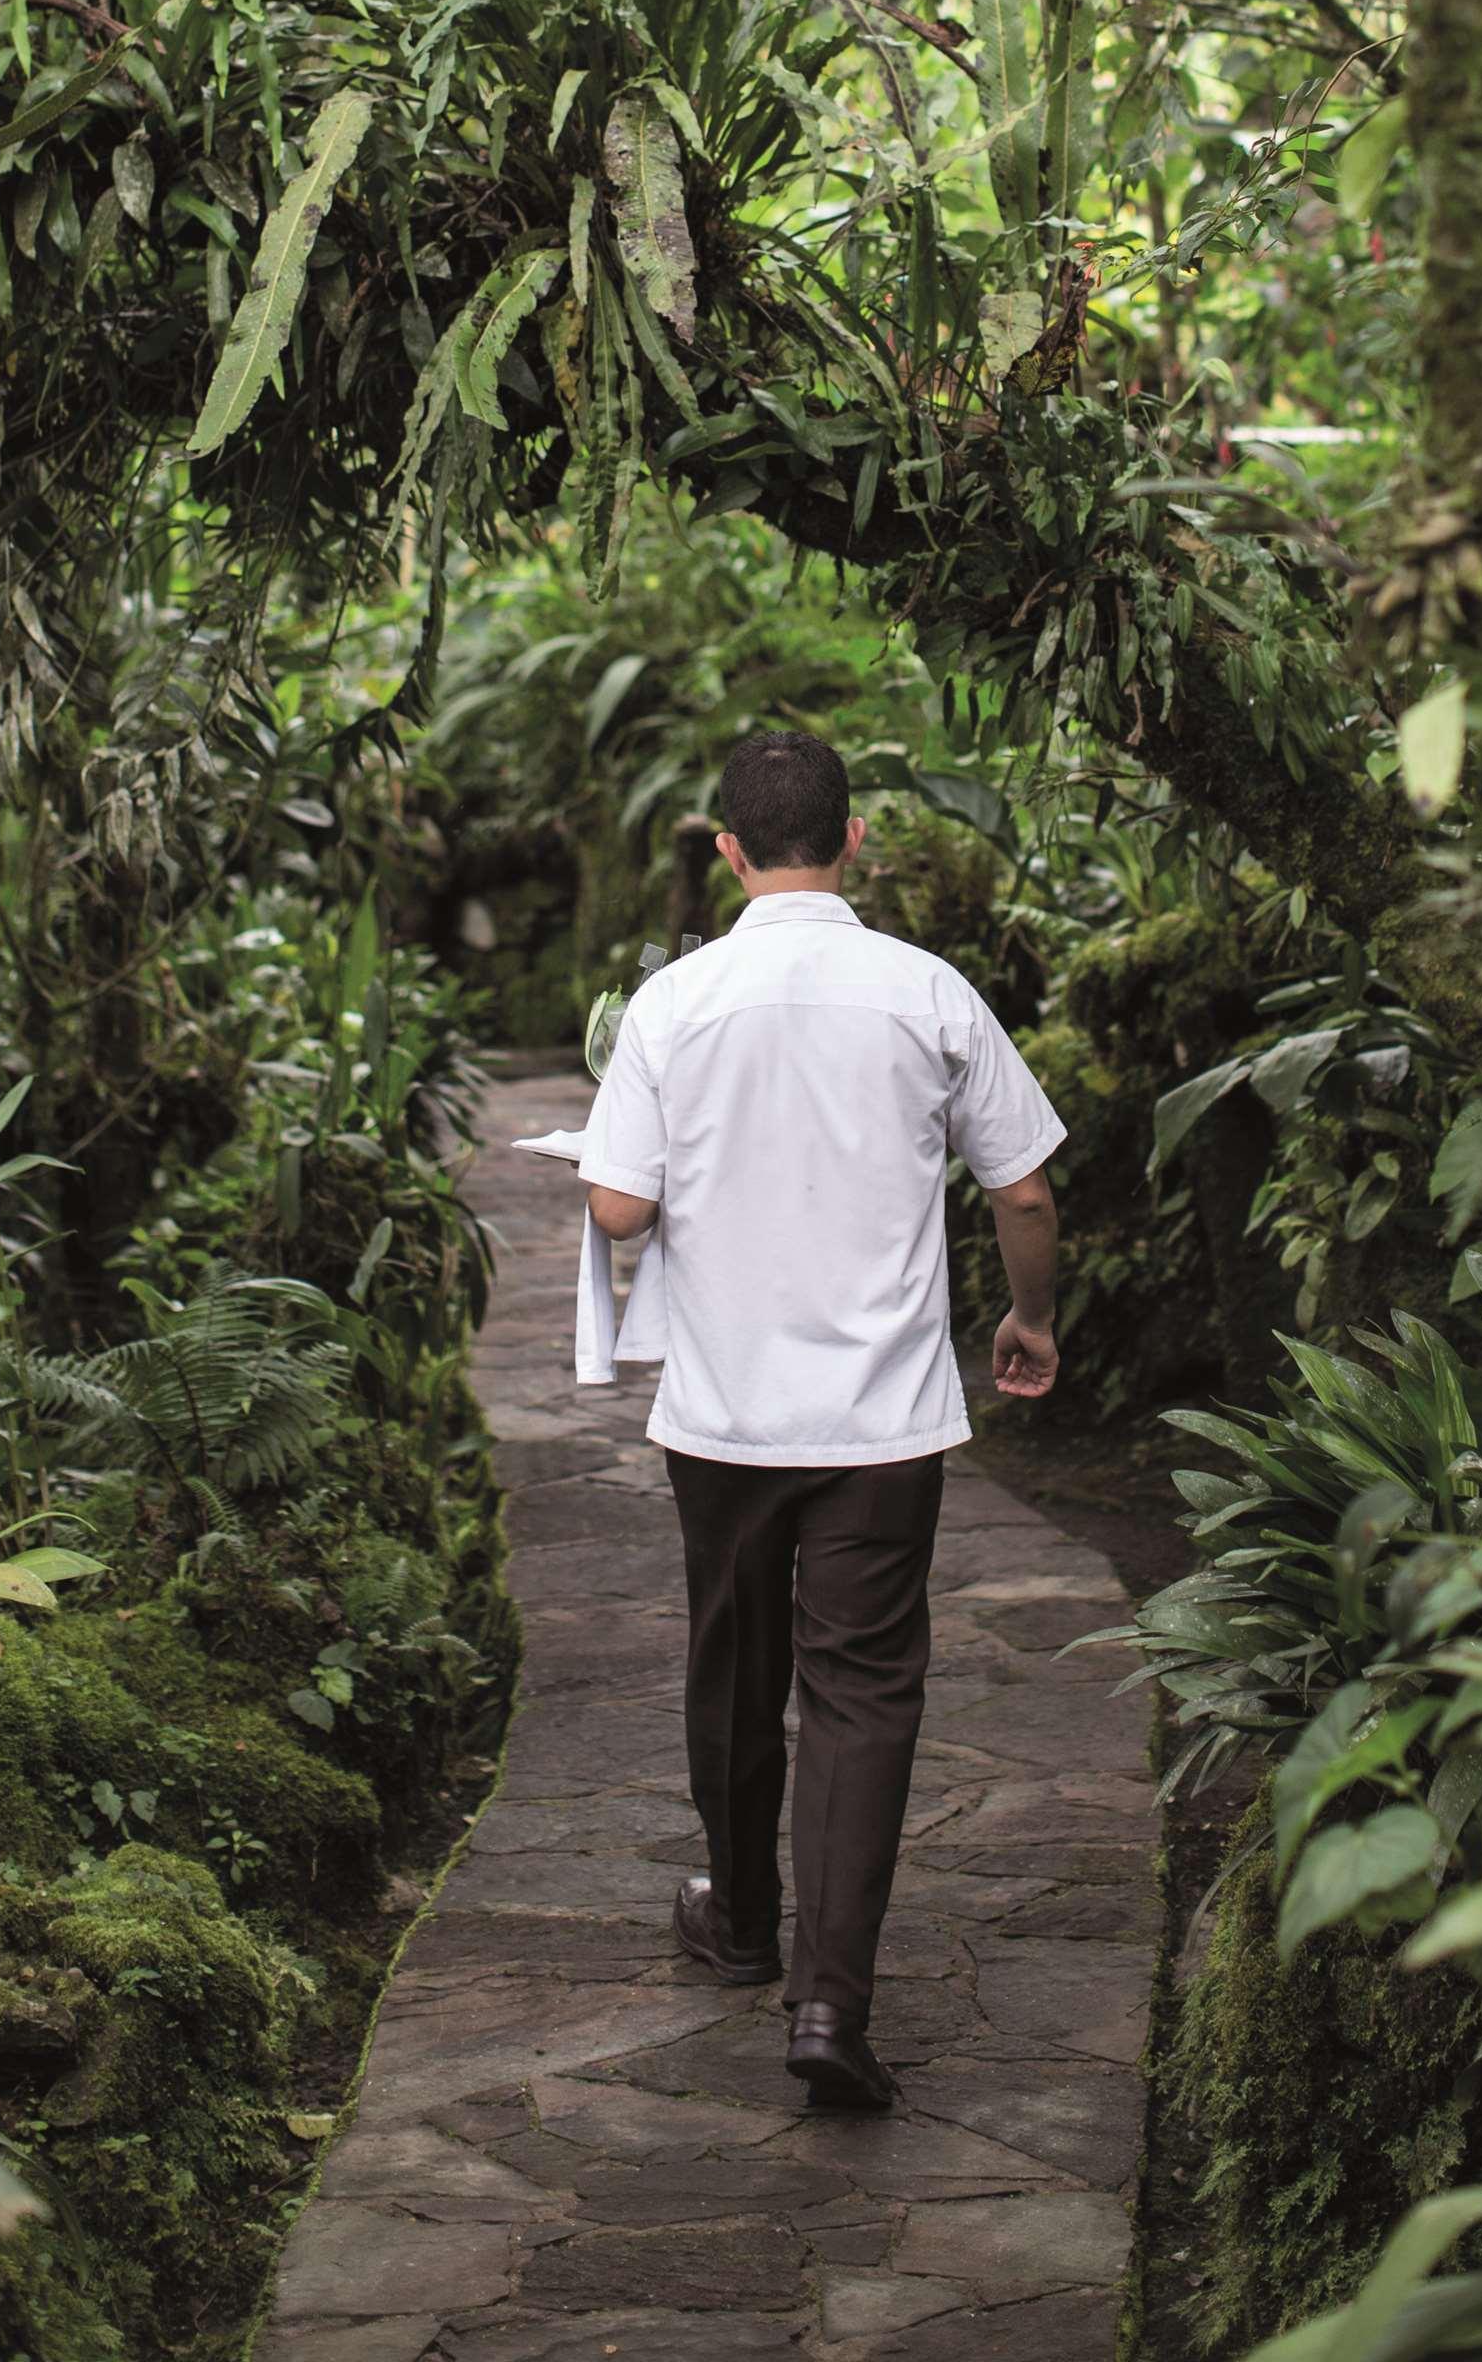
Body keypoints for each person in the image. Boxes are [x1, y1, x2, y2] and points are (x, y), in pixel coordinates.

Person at [576, 725, 1065, 2115]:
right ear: (856, 841)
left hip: (724, 1414)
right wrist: (1029, 1320)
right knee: (861, 1694)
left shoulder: (674, 1005)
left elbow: (619, 1208)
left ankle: (738, 1919)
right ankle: (829, 2004)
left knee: (734, 1664)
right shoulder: (926, 993)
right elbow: (1022, 1190)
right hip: (882, 1425)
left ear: (726, 851)